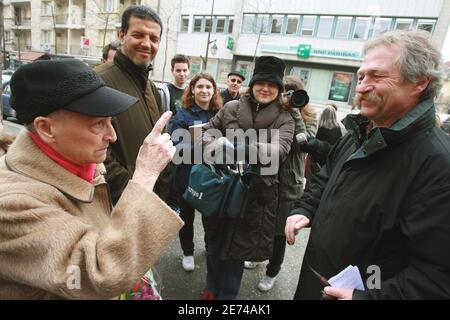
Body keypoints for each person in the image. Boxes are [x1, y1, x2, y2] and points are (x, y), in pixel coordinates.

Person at [285, 30, 450, 300]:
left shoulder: (439, 166)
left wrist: (365, 298)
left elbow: (437, 276)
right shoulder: (358, 133)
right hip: (314, 283)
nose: (361, 87)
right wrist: (306, 207)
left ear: (419, 82)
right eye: (361, 76)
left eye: (377, 76)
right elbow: (326, 177)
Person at [0, 59, 183, 299]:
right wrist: (146, 174)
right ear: (46, 128)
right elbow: (99, 274)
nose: (113, 135)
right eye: (98, 124)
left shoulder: (77, 161)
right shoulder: (12, 205)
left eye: (110, 121)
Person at [200, 56, 294, 300]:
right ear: (252, 85)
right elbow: (207, 131)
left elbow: (279, 151)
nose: (265, 88)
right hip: (221, 189)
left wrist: (235, 146)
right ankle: (211, 288)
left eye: (272, 85)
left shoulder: (285, 119)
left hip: (255, 197)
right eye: (261, 82)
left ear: (279, 89)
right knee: (213, 244)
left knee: (236, 253)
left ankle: (227, 297)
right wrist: (213, 142)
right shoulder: (231, 107)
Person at [95, 5, 169, 204]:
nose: (146, 44)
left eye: (154, 39)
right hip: (121, 202)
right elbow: (94, 150)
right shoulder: (98, 82)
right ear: (122, 35)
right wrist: (132, 188)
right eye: (138, 35)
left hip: (150, 199)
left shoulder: (151, 88)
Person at [256, 75, 317, 291]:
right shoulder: (270, 113)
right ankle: (257, 257)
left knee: (279, 234)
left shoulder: (309, 117)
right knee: (261, 224)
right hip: (267, 177)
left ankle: (272, 270)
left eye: (294, 93)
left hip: (289, 185)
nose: (289, 98)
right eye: (286, 93)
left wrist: (294, 113)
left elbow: (305, 144)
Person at [169, 73, 222, 272]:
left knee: (211, 218)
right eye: (200, 86)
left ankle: (210, 249)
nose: (204, 90)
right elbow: (175, 143)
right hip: (187, 174)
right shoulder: (183, 114)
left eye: (208, 87)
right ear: (192, 89)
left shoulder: (220, 113)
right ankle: (188, 252)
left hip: (211, 176)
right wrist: (200, 145)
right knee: (187, 218)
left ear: (214, 90)